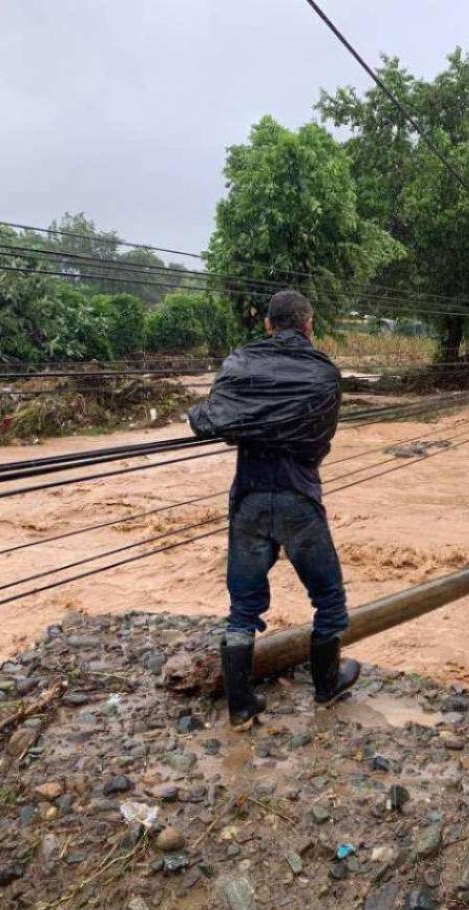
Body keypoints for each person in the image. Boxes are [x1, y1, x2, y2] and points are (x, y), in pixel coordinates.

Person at [189, 290, 359, 725]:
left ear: (268, 325)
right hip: (298, 498)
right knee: (329, 601)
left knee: (243, 609)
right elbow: (318, 441)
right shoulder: (323, 374)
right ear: (308, 325)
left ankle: (242, 709)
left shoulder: (240, 364)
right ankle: (326, 687)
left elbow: (212, 419)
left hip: (248, 499)